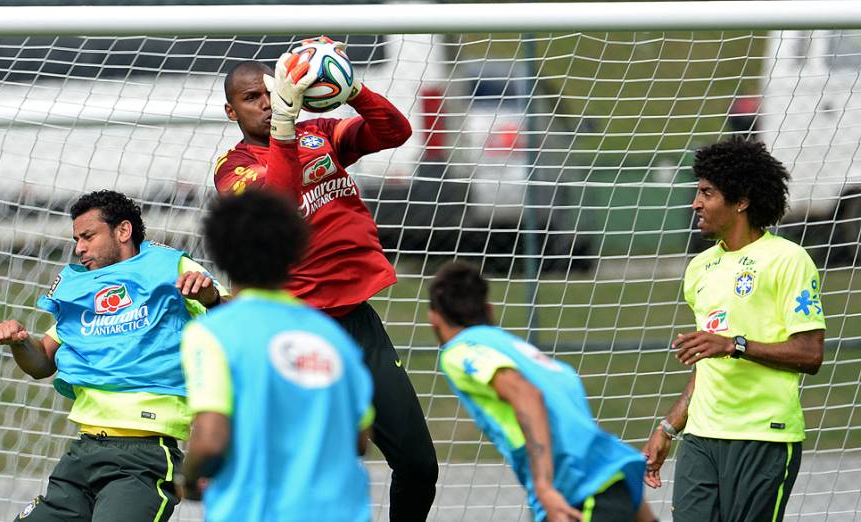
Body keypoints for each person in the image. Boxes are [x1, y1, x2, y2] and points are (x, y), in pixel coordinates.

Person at [212, 38, 438, 519]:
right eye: (252, 98)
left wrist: (353, 88)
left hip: (357, 322)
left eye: (271, 91)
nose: (267, 102)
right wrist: (285, 130)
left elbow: (394, 131)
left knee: (419, 464)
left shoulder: (321, 132)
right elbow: (279, 198)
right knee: (314, 468)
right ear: (231, 112)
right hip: (294, 330)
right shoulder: (232, 169)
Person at [0, 190, 228, 522]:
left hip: (143, 454)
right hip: (83, 451)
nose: (79, 248)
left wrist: (211, 297)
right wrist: (19, 342)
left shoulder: (169, 267)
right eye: (76, 239)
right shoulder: (83, 288)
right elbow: (42, 361)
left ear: (123, 231)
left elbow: (237, 320)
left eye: (88, 236)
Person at [641, 137, 825, 522]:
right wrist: (669, 426)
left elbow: (810, 354)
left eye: (707, 193)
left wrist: (735, 345)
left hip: (764, 437)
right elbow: (705, 365)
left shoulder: (789, 261)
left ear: (741, 201)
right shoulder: (700, 269)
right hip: (702, 439)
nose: (696, 203)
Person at [178, 189, 374, 522]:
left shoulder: (214, 333)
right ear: (294, 253)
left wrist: (190, 477)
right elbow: (359, 440)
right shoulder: (332, 336)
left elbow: (210, 440)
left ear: (220, 253)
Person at [428, 262, 653, 522]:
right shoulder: (525, 354)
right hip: (611, 486)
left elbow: (527, 395)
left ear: (434, 318)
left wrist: (544, 488)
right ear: (489, 310)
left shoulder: (460, 351)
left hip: (574, 498)